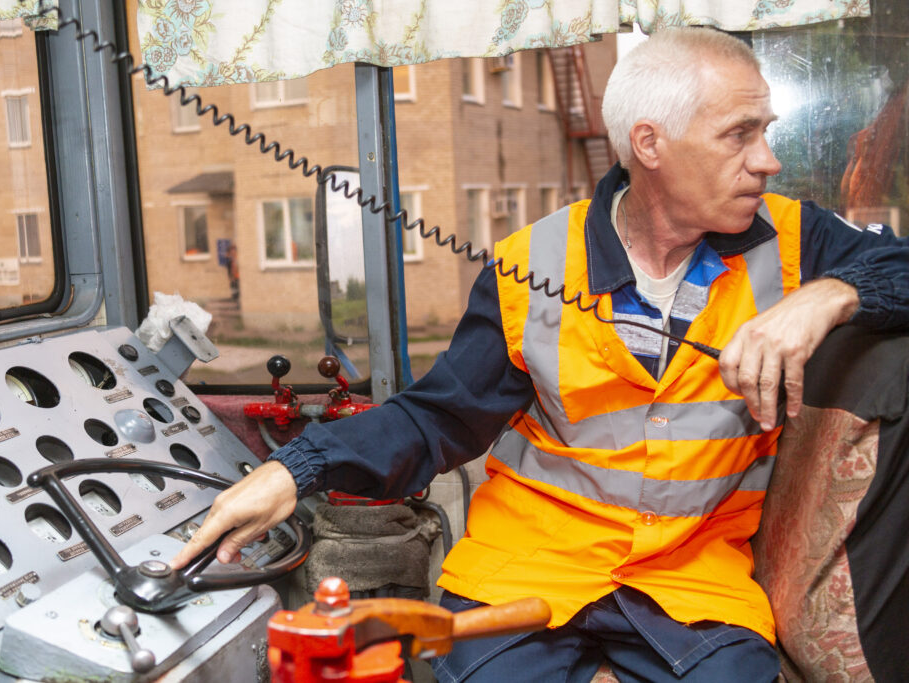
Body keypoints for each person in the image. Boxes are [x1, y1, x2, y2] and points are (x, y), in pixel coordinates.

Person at [172, 28, 909, 682]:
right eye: (739, 135)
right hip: (527, 567)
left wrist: (829, 295)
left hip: (693, 579)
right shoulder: (532, 264)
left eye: (765, 132)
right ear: (650, 144)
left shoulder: (795, 240)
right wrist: (295, 468)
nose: (767, 161)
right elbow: (438, 418)